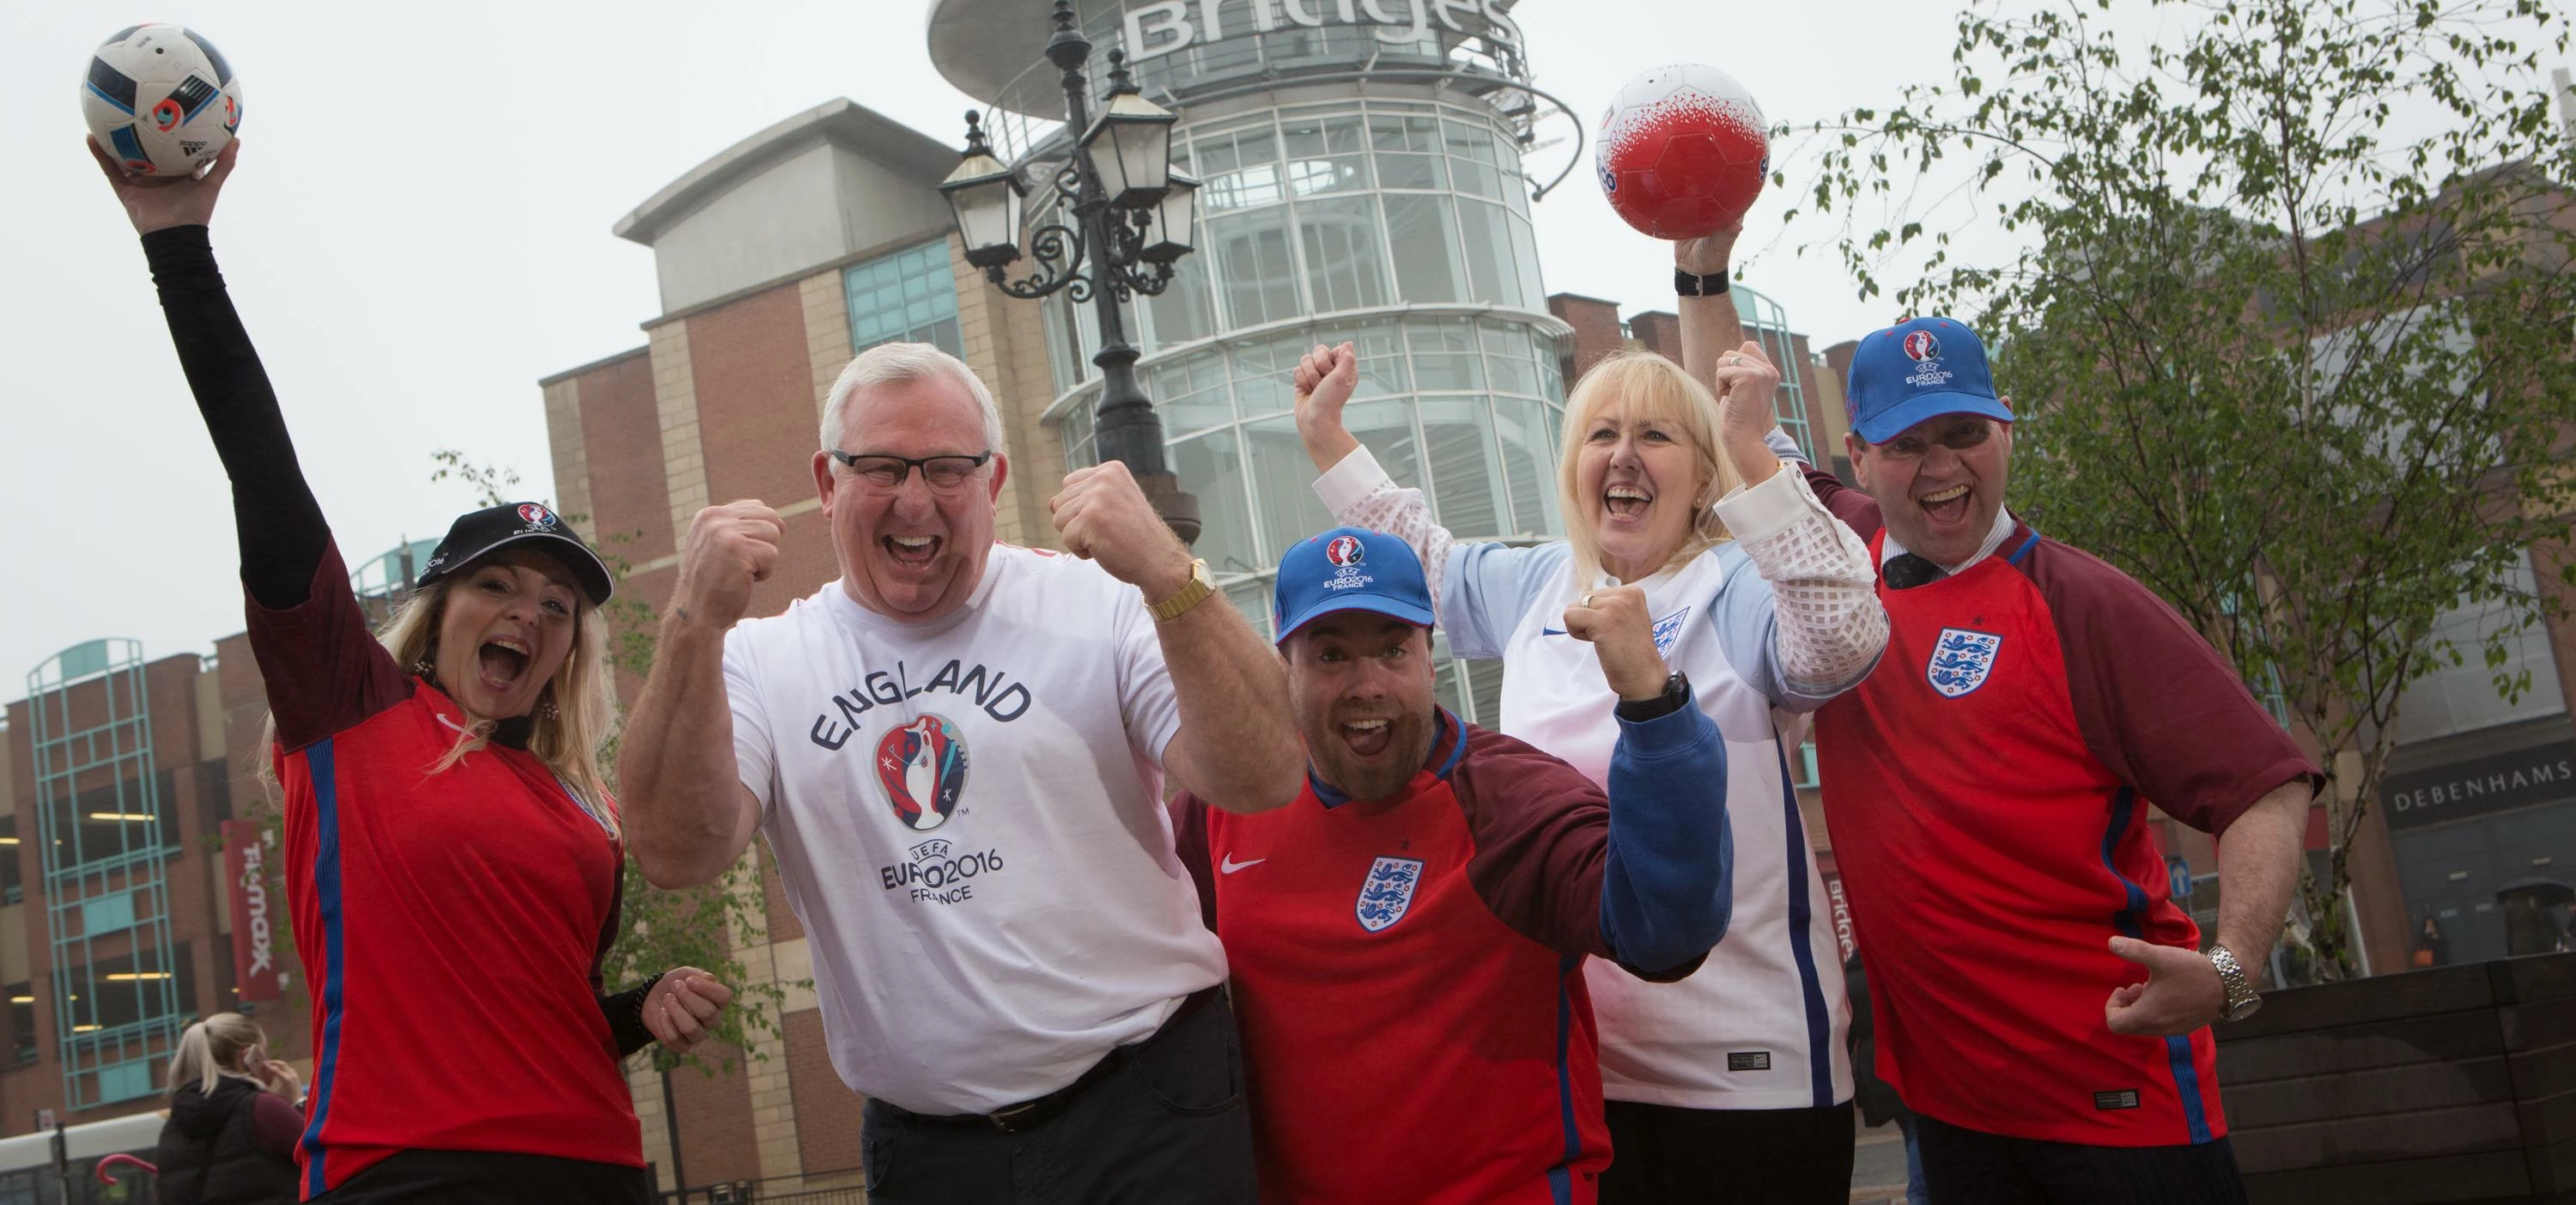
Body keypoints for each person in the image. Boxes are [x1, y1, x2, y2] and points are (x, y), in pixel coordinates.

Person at [96, 139, 735, 1204]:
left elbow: (547, 1012)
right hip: (403, 1171)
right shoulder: (351, 706)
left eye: (558, 606)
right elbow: (263, 467)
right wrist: (178, 244)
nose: (528, 614)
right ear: (438, 613)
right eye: (501, 586)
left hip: (597, 1170)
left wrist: (639, 1005)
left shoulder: (585, 811)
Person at [616, 339, 1306, 1204]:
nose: (915, 498)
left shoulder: (1099, 599)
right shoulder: (760, 659)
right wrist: (690, 621)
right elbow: (675, 851)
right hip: (933, 1154)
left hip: (1148, 1109)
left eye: (947, 467)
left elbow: (1269, 772)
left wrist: (1171, 570)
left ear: (993, 480)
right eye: (880, 467)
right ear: (828, 484)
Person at [1292, 233, 1887, 1203]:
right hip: (1574, 1067)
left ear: (1699, 475)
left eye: (1656, 436)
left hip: (1744, 1081)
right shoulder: (1539, 582)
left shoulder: (1735, 583)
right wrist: (1327, 435)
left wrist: (1756, 458)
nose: (1623, 455)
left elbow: (1845, 638)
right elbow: (1422, 557)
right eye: (1600, 435)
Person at [1723, 305, 2318, 1203]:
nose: (1940, 466)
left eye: (1964, 433)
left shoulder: (2087, 604)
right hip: (1951, 1118)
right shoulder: (1842, 559)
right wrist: (1703, 259)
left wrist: (2230, 968)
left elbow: (2265, 787)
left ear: (2005, 426)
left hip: (2117, 1105)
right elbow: (1736, 416)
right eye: (1907, 444)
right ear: (1858, 455)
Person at [1176, 526, 1734, 1203]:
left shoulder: (1507, 800)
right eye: (1330, 655)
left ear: (1429, 657)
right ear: (1285, 667)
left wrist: (1654, 708)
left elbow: (1667, 931)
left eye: (1392, 649)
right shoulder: (1228, 801)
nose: (1367, 684)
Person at [158, 1013, 301, 1205]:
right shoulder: (263, 1108)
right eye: (262, 1055)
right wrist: (297, 1102)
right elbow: (323, 1159)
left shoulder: (174, 1125)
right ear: (246, 1057)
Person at [1844, 952, 1927, 1205]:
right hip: (1903, 1063)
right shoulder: (1888, 971)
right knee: (1919, 1146)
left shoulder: (1850, 978)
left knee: (1912, 1133)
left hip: (1877, 1073)